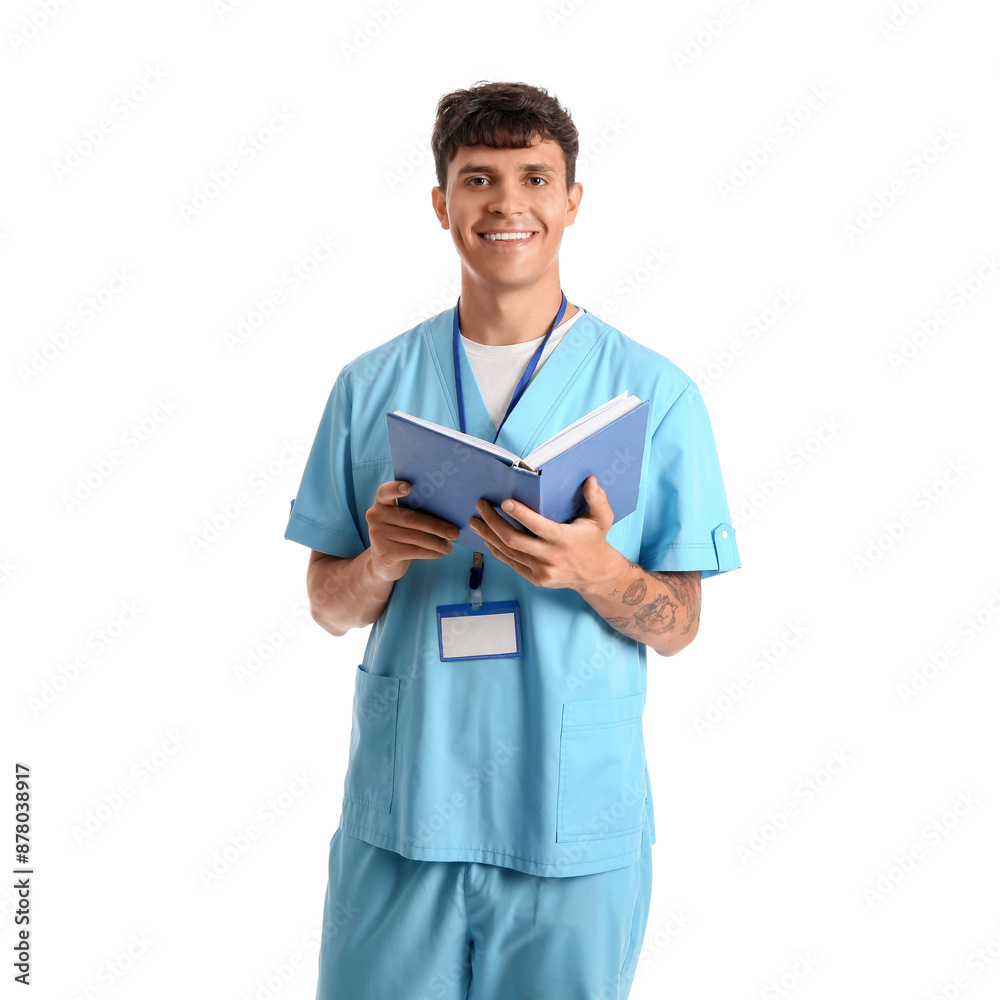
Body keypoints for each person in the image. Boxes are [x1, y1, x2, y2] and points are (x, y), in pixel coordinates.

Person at [284, 80, 741, 1000]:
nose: (507, 203)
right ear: (441, 203)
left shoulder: (656, 396)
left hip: (570, 821)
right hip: (404, 810)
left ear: (572, 201)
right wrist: (380, 559)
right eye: (477, 178)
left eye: (536, 177)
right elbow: (327, 606)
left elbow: (681, 623)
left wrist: (599, 572)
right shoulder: (370, 386)